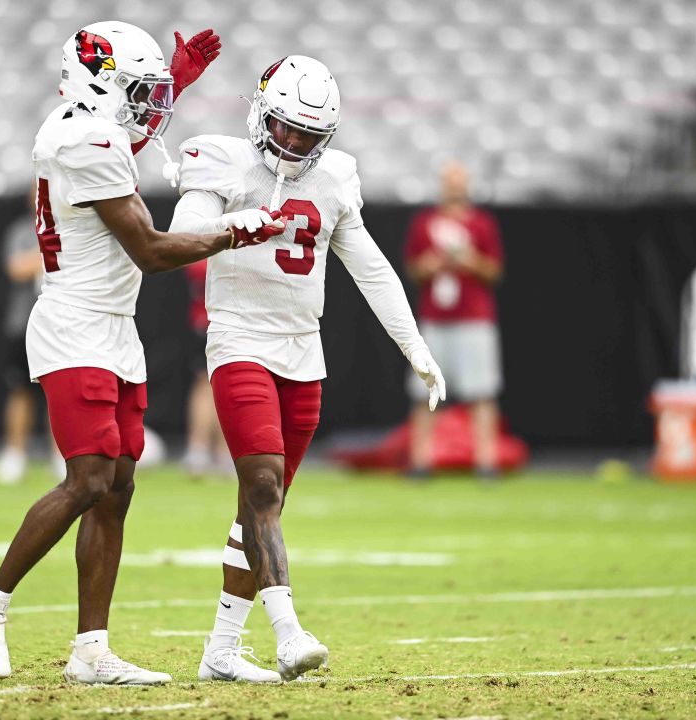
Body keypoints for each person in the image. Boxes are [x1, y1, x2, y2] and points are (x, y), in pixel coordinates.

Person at [0, 21, 282, 685]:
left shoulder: (86, 127)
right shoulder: (86, 138)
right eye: (137, 88)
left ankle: (90, 649)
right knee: (89, 480)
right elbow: (153, 251)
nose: (150, 102)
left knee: (118, 488)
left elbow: (128, 136)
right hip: (77, 323)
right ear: (99, 82)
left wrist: (180, 83)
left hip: (113, 326)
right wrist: (233, 231)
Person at [168, 55, 446, 682]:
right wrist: (225, 225)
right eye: (285, 128)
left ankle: (220, 651)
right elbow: (181, 233)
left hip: (303, 350)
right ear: (261, 112)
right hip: (238, 339)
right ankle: (289, 634)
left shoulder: (337, 177)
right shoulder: (221, 158)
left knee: (259, 508)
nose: (293, 145)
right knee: (263, 487)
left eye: (308, 135)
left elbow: (370, 268)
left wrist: (415, 347)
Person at [404, 161, 505, 478]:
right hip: (436, 317)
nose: (455, 188)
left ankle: (487, 461)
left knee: (481, 392)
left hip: (474, 318)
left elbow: (494, 271)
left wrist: (468, 261)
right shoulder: (425, 223)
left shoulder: (482, 224)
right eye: (450, 182)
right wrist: (434, 263)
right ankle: (421, 461)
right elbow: (413, 269)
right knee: (424, 392)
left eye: (459, 182)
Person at [0, 209, 65, 485]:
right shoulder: (22, 229)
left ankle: (60, 455)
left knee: (58, 390)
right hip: (22, 323)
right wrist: (47, 256)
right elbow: (16, 268)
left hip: (59, 324)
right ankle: (15, 454)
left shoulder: (71, 225)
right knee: (20, 390)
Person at [181, 259, 231, 478]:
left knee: (230, 386)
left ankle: (224, 452)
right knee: (206, 384)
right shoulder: (205, 230)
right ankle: (198, 450)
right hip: (210, 320)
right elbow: (196, 266)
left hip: (236, 321)